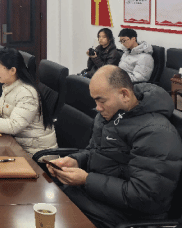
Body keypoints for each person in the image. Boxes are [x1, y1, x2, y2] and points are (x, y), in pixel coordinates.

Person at [47, 66, 182, 228]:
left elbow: (144, 196)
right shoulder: (110, 115)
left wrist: (86, 180)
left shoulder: (156, 133)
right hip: (97, 199)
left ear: (124, 94)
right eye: (95, 101)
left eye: (101, 101)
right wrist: (75, 161)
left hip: (128, 216)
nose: (97, 107)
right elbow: (95, 152)